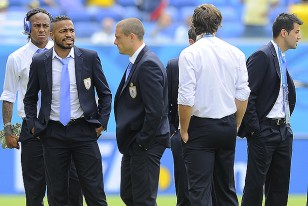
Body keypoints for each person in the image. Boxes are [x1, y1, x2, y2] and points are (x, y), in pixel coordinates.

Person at [23, 15, 112, 206]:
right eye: (64, 31)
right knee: (57, 195)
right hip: (53, 133)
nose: (69, 34)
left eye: (71, 30)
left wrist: (102, 123)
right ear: (52, 34)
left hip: (83, 130)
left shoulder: (89, 57)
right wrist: (33, 126)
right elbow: (29, 98)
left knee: (95, 192)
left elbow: (105, 94)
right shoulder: (40, 61)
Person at [0, 8, 83, 206]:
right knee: (34, 188)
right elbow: (9, 95)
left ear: (52, 29)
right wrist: (8, 131)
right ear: (27, 28)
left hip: (62, 126)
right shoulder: (16, 58)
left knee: (71, 186)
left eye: (46, 26)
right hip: (32, 127)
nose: (41, 30)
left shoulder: (67, 54)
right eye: (36, 26)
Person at [178, 4, 250, 206]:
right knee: (226, 190)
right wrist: (234, 124)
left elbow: (185, 97)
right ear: (218, 25)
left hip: (199, 127)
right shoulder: (235, 52)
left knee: (199, 191)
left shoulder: (190, 54)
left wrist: (184, 130)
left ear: (194, 24)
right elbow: (243, 94)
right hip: (226, 125)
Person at [238, 13, 303, 206]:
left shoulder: (280, 58)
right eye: (296, 32)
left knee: (279, 189)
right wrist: (255, 130)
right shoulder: (262, 56)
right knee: (255, 188)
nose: (299, 36)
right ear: (284, 33)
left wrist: (286, 127)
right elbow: (247, 95)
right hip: (264, 131)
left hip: (283, 132)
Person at [114, 18, 170, 206]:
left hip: (145, 143)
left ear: (131, 37)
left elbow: (156, 111)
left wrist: (142, 142)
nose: (115, 42)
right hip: (135, 142)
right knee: (129, 195)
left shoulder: (148, 64)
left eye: (118, 37)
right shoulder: (138, 62)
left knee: (143, 200)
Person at [166, 26, 196, 206]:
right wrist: (172, 133)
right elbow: (167, 102)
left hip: (208, 134)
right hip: (181, 136)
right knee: (184, 192)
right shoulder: (174, 66)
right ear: (191, 43)